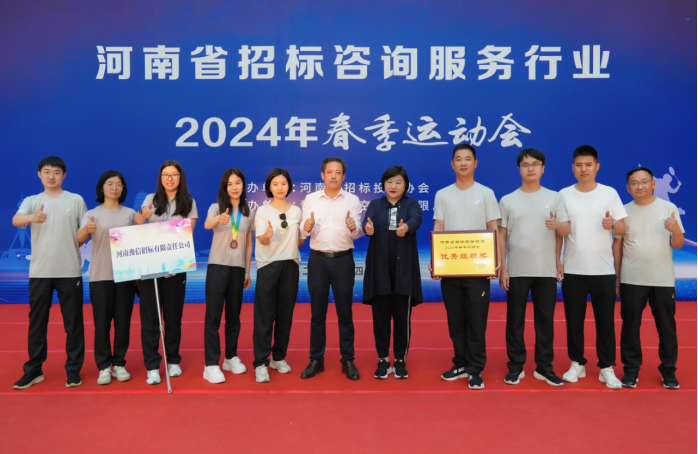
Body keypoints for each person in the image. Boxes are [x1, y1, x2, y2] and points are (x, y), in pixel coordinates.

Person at [429, 143, 501, 390]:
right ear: (452, 164)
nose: (463, 163)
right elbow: (439, 227)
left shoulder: (486, 193)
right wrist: (435, 261)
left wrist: (496, 259)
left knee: (476, 320)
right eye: (458, 159)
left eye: (467, 158)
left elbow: (493, 228)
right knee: (456, 319)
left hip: (478, 268)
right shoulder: (443, 194)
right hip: (450, 268)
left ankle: (475, 368)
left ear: (475, 163)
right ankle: (460, 363)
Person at [12, 156, 88, 390]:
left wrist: (84, 234)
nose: (51, 176)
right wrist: (31, 217)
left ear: (64, 175)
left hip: (69, 271)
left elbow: (83, 234)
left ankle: (73, 370)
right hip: (40, 271)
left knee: (73, 323)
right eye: (47, 171)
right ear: (39, 174)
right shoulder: (32, 201)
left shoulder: (75, 200)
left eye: (56, 172)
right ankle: (34, 370)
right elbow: (16, 220)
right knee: (37, 323)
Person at [498, 149, 569, 387]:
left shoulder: (555, 197)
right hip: (516, 270)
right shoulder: (508, 200)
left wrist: (558, 261)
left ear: (543, 168)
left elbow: (564, 231)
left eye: (535, 164)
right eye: (525, 164)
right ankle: (515, 366)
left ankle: (544, 367)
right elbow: (501, 235)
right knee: (515, 321)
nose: (530, 168)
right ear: (519, 168)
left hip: (546, 270)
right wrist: (503, 267)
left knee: (545, 321)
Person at [559, 145, 627, 389]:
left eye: (588, 165)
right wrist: (558, 262)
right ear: (573, 168)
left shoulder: (609, 193)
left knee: (605, 322)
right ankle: (577, 363)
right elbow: (560, 232)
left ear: (597, 166)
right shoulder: (564, 195)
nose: (584, 169)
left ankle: (606, 367)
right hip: (573, 269)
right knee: (574, 320)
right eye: (579, 165)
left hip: (603, 270)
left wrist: (613, 224)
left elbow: (622, 228)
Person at [613, 167, 684, 389]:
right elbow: (618, 246)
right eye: (634, 183)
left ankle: (668, 371)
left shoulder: (669, 208)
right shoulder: (623, 211)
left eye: (644, 181)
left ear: (653, 184)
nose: (640, 186)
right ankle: (631, 370)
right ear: (628, 188)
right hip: (631, 278)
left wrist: (676, 230)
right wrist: (618, 277)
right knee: (630, 327)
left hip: (662, 279)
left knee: (666, 327)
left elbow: (678, 244)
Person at [299, 157, 363, 381]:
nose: (333, 175)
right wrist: (306, 227)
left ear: (343, 176)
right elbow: (303, 230)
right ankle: (316, 359)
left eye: (338, 172)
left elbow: (357, 233)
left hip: (343, 260)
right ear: (322, 175)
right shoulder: (311, 199)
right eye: (329, 172)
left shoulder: (353, 200)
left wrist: (354, 227)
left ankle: (348, 360)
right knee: (317, 313)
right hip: (318, 260)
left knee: (345, 313)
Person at [76, 170, 142, 385]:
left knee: (123, 323)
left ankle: (119, 363)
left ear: (123, 189)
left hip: (125, 276)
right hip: (101, 275)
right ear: (102, 188)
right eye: (110, 184)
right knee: (102, 324)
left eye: (119, 184)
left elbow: (143, 235)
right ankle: (104, 366)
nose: (114, 188)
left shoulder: (130, 214)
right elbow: (78, 239)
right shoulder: (92, 214)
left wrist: (143, 219)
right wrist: (87, 229)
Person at [136, 160, 198, 385]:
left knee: (173, 317)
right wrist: (143, 214)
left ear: (180, 178)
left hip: (175, 268)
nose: (169, 179)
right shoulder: (150, 199)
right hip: (150, 268)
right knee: (150, 318)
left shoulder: (188, 201)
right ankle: (152, 366)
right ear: (160, 177)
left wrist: (174, 264)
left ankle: (173, 360)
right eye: (165, 174)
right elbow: (137, 224)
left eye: (174, 175)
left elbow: (187, 235)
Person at [362, 166, 423, 380]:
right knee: (380, 319)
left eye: (398, 182)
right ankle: (383, 359)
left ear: (405, 185)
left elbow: (416, 219)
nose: (393, 186)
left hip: (403, 271)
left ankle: (400, 360)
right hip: (380, 271)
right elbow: (367, 221)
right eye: (389, 182)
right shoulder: (375, 204)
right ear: (383, 184)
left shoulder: (412, 204)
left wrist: (407, 228)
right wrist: (367, 228)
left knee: (401, 319)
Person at [202, 168, 255, 384]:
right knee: (213, 316)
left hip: (237, 268)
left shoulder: (248, 211)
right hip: (218, 266)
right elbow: (206, 225)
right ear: (225, 187)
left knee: (234, 316)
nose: (234, 187)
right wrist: (219, 219)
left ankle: (230, 357)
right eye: (230, 184)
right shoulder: (216, 207)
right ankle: (211, 365)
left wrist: (247, 270)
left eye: (238, 183)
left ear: (243, 185)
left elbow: (249, 243)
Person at [252, 168, 304, 383]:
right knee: (264, 316)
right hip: (268, 265)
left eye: (283, 183)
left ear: (289, 186)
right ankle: (261, 363)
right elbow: (262, 241)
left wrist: (307, 231)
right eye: (275, 184)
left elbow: (298, 241)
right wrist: (266, 235)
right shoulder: (263, 211)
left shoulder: (297, 211)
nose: (280, 187)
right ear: (269, 187)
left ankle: (278, 357)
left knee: (285, 315)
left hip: (290, 265)